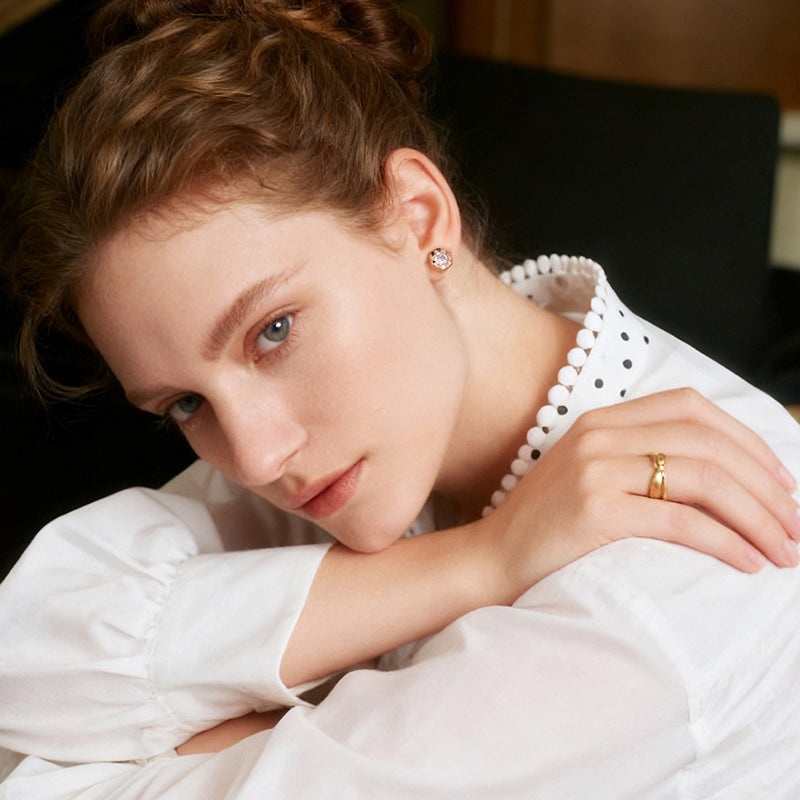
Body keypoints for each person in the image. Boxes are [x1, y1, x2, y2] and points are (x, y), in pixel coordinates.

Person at [1, 0, 799, 796]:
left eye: (273, 331)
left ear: (419, 220)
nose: (254, 455)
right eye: (184, 405)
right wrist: (484, 561)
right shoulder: (367, 449)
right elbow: (28, 655)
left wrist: (218, 741)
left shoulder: (664, 577)